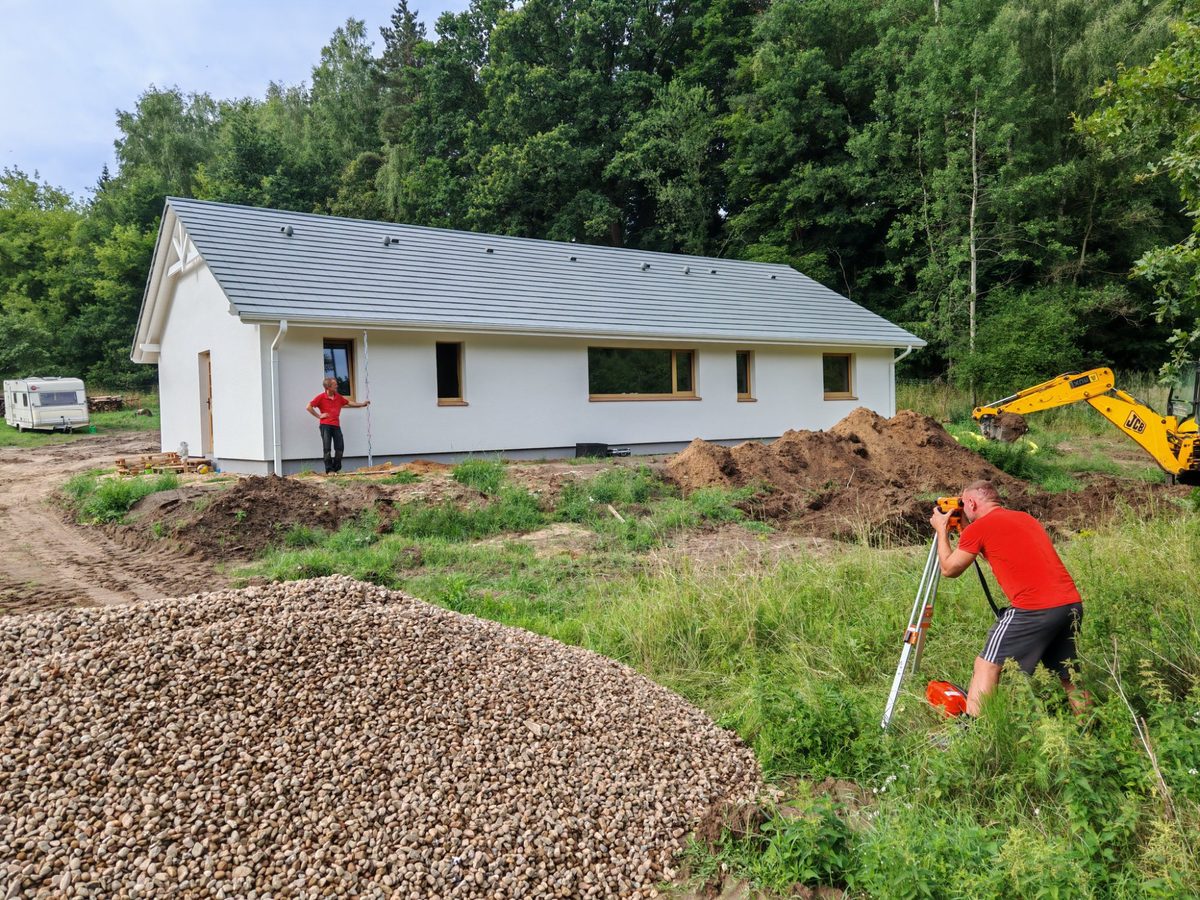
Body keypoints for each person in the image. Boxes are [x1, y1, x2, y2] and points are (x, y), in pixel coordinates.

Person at [929, 479, 1085, 717]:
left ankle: (976, 731)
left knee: (987, 664)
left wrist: (941, 529)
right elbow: (995, 550)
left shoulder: (979, 529)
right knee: (1069, 673)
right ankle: (1088, 725)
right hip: (1069, 605)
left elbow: (950, 569)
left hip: (1034, 609)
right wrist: (964, 528)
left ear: (970, 502)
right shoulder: (1025, 518)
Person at [306, 377, 370, 474]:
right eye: (335, 384)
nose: (337, 386)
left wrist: (362, 404)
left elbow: (349, 402)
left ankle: (336, 469)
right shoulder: (320, 397)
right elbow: (308, 407)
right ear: (328, 387)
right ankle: (329, 470)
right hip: (325, 426)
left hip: (336, 425)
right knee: (327, 449)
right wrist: (319, 416)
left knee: (340, 448)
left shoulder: (338, 397)